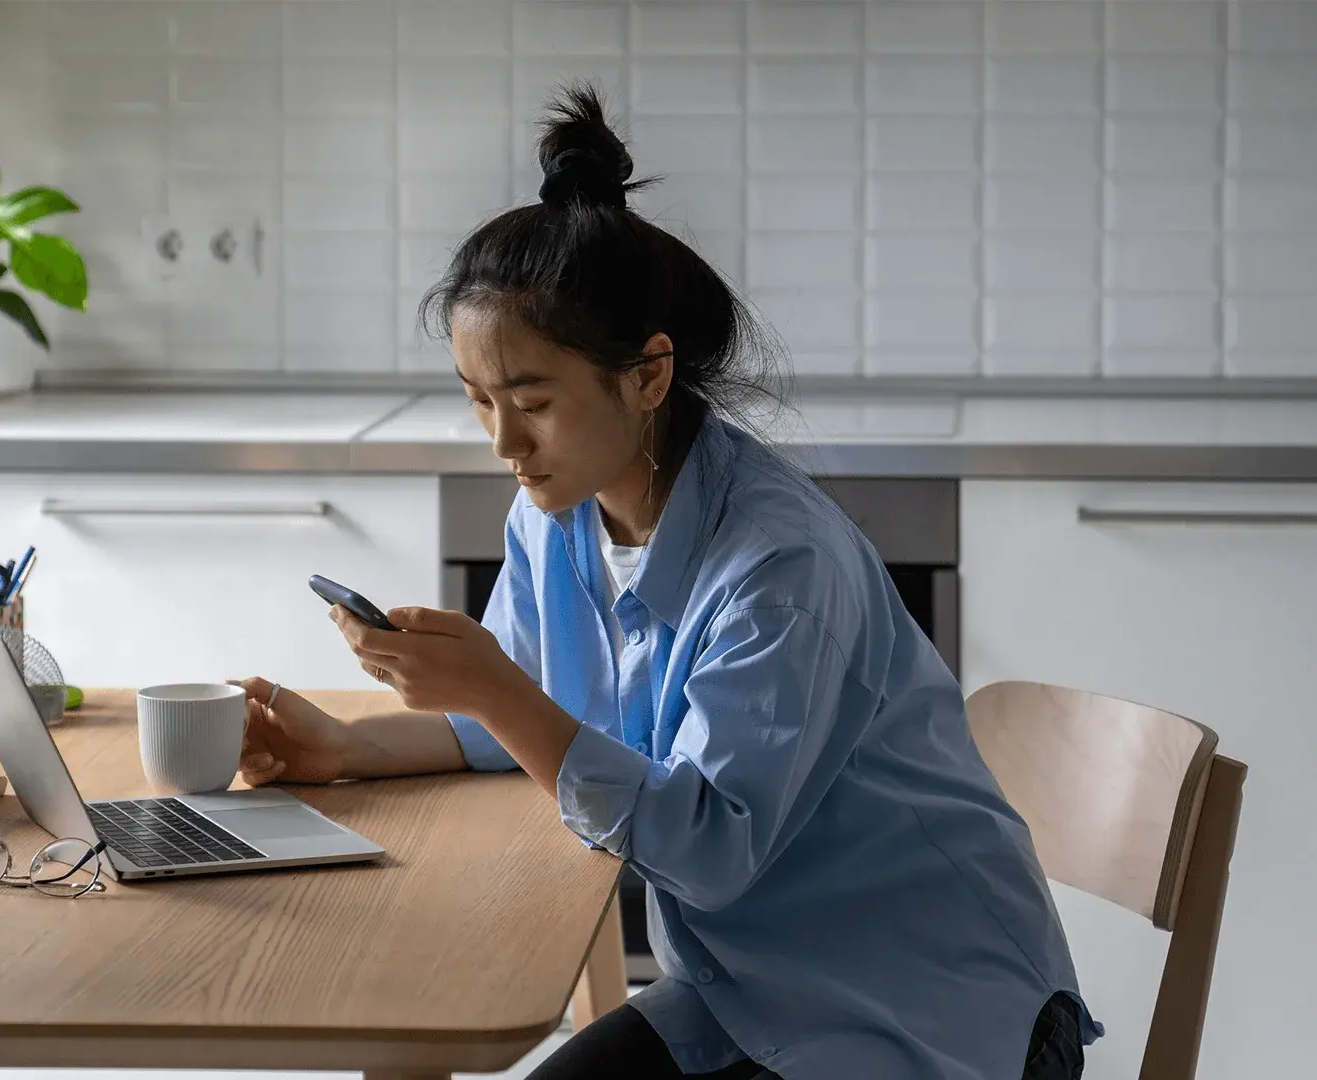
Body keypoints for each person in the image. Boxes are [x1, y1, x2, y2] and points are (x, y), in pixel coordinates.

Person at [234, 84, 1100, 1080]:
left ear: (648, 376)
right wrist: (351, 748)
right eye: (477, 401)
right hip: (749, 984)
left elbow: (703, 850)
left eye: (532, 402)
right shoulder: (556, 514)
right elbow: (523, 717)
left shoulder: (780, 567)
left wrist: (492, 689)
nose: (504, 442)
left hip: (924, 1006)